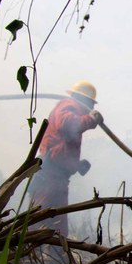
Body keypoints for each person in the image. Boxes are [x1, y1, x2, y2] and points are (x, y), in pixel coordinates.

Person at [29, 80, 103, 237]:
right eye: (91, 103)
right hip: (50, 178)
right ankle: (22, 257)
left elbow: (62, 149)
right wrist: (90, 119)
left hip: (57, 179)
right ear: (85, 101)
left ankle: (54, 260)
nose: (92, 108)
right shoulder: (69, 105)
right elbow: (67, 124)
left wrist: (76, 165)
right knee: (39, 223)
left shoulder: (73, 108)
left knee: (55, 228)